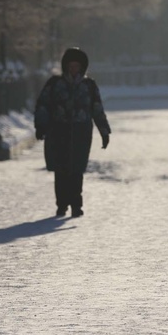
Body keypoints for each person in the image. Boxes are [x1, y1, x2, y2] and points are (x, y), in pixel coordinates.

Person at [34, 47, 111, 217]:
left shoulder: (88, 86)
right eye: (71, 66)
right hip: (58, 132)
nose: (74, 69)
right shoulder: (55, 84)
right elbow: (43, 105)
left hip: (81, 132)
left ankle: (76, 205)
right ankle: (61, 204)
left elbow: (97, 109)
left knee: (77, 169)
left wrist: (104, 131)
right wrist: (40, 126)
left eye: (77, 66)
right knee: (60, 169)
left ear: (82, 67)